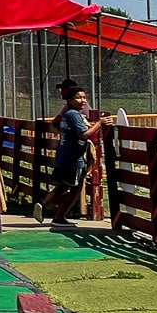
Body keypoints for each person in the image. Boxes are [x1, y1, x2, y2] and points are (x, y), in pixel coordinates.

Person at [34, 80, 104, 224]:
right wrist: (99, 124)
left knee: (64, 186)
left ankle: (46, 207)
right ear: (70, 100)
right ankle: (53, 212)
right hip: (73, 158)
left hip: (63, 155)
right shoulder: (73, 115)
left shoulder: (67, 115)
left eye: (84, 97)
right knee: (76, 188)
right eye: (78, 97)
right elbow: (83, 134)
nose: (82, 100)